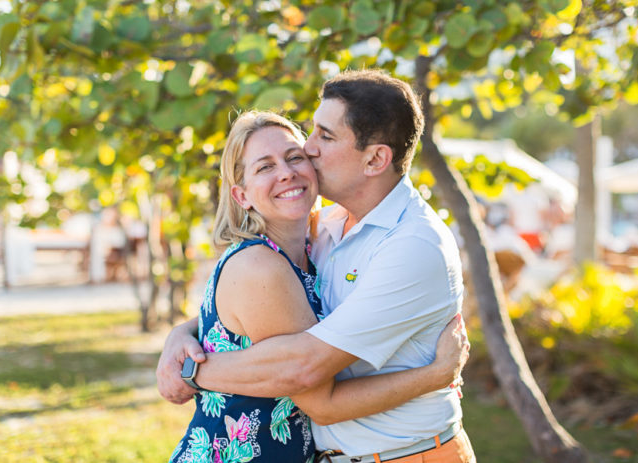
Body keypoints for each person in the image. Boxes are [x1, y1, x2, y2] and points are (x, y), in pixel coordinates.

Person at [159, 70, 476, 463]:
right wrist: (184, 333)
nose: (308, 150)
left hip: (406, 455)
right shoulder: (324, 226)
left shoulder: (410, 245)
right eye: (310, 134)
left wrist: (193, 372)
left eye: (324, 136)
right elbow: (251, 312)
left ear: (376, 159)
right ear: (241, 194)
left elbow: (305, 370)